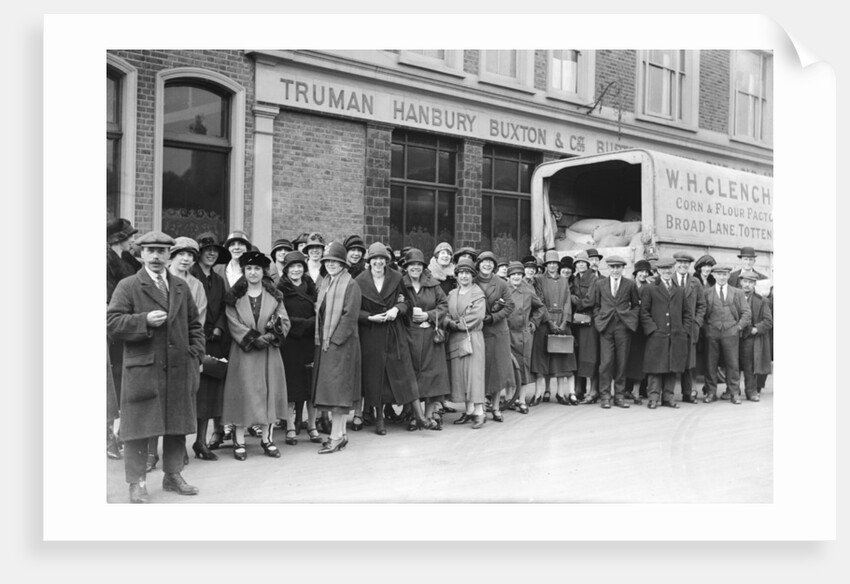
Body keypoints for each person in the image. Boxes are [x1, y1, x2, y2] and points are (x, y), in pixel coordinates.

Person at [107, 230, 205, 503]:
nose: (156, 256)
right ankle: (136, 482)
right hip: (143, 369)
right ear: (140, 254)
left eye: (162, 252)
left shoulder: (180, 287)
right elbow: (112, 322)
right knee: (138, 428)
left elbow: (195, 326)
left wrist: (194, 354)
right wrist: (144, 321)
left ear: (168, 255)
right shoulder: (128, 286)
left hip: (177, 367)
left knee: (176, 424)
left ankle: (172, 475)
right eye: (150, 251)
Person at [356, 242, 435, 435]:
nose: (378, 262)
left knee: (405, 374)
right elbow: (354, 310)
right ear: (369, 261)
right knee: (377, 377)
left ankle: (419, 416)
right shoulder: (359, 281)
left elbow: (406, 302)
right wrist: (369, 317)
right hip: (372, 334)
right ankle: (379, 420)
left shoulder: (397, 277)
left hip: (394, 332)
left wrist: (395, 310)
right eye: (375, 258)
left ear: (386, 261)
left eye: (382, 258)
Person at [221, 251, 291, 460]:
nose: (253, 272)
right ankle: (239, 441)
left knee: (268, 394)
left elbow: (284, 321)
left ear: (263, 272)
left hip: (269, 352)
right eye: (249, 269)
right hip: (244, 353)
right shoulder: (234, 297)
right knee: (243, 394)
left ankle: (267, 440)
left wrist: (269, 337)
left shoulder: (274, 296)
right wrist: (252, 338)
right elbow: (232, 322)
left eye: (257, 269)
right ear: (244, 271)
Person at [312, 242, 362, 453]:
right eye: (328, 261)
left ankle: (334, 437)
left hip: (341, 345)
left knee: (338, 394)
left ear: (343, 263)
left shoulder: (351, 285)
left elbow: (349, 317)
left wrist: (333, 341)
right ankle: (340, 434)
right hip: (327, 343)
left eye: (336, 261)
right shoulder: (326, 283)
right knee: (334, 392)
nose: (331, 264)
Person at [190, 232, 229, 461]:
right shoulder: (190, 277)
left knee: (208, 394)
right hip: (195, 340)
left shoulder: (218, 280)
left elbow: (224, 308)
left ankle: (201, 441)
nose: (211, 254)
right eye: (207, 250)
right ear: (199, 254)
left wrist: (219, 328)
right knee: (191, 392)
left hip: (214, 341)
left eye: (214, 250)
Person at [276, 250, 322, 444]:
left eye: (299, 266)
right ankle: (290, 427)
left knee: (310, 385)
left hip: (309, 341)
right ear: (286, 270)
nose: (296, 270)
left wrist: (312, 323)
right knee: (292, 385)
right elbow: (280, 316)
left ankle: (311, 425)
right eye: (292, 267)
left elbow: (319, 311)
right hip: (290, 342)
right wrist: (304, 324)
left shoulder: (310, 287)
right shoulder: (280, 289)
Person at [402, 248, 451, 429]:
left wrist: (429, 315)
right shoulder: (401, 284)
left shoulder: (433, 284)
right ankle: (416, 416)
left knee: (433, 376)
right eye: (411, 265)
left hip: (431, 336)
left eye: (418, 265)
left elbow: (444, 304)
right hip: (409, 336)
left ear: (423, 267)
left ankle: (429, 415)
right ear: (406, 267)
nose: (415, 268)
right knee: (412, 376)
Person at [639, 257, 694, 408]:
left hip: (676, 336)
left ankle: (668, 398)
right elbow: (644, 312)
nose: (667, 271)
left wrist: (684, 330)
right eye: (663, 269)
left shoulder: (679, 290)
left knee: (672, 367)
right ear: (658, 271)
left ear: (673, 269)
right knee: (656, 368)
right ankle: (653, 398)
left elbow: (687, 314)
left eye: (669, 268)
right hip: (657, 336)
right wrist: (652, 330)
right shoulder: (650, 289)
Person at [106, 217, 140, 460]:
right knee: (109, 382)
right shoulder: (104, 261)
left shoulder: (129, 261)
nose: (134, 241)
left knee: (123, 378)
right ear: (120, 239)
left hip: (127, 325)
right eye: (131, 237)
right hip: (110, 327)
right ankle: (108, 437)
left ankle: (118, 434)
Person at [592, 255, 640, 409]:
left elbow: (636, 305)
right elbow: (596, 305)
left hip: (623, 328)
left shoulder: (630, 284)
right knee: (606, 363)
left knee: (621, 363)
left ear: (622, 268)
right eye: (612, 267)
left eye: (618, 267)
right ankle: (605, 396)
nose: (615, 270)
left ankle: (619, 396)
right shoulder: (600, 284)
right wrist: (598, 320)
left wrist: (630, 320)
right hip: (606, 328)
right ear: (608, 268)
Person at [530, 250, 578, 405]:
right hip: (545, 323)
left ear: (558, 265)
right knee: (541, 360)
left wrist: (564, 323)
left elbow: (567, 303)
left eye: (555, 263)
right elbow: (539, 302)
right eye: (549, 263)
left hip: (562, 322)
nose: (552, 266)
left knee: (562, 360)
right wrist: (550, 322)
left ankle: (560, 393)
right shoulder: (539, 280)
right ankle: (538, 394)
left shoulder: (564, 281)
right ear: (545, 265)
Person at [700, 265, 752, 404]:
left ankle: (734, 393)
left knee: (732, 363)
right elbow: (701, 313)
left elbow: (746, 313)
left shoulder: (737, 292)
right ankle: (711, 393)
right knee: (710, 364)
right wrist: (707, 329)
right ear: (714, 275)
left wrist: (738, 327)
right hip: (712, 332)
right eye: (719, 274)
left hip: (731, 332)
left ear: (729, 276)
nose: (722, 277)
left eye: (725, 274)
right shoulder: (707, 292)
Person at [474, 251, 516, 422]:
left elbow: (510, 306)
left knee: (498, 371)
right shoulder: (473, 281)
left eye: (490, 262)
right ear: (478, 264)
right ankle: (481, 407)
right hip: (479, 331)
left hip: (498, 332)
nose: (487, 265)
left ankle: (497, 407)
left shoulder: (501, 283)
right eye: (484, 262)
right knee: (480, 370)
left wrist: (493, 317)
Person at [446, 258, 488, 429]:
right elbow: (445, 312)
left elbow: (477, 316)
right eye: (461, 272)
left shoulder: (478, 294)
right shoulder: (451, 294)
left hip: (472, 337)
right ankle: (469, 410)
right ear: (456, 275)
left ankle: (480, 412)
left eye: (467, 273)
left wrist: (455, 324)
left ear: (473, 275)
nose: (464, 276)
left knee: (474, 375)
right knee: (460, 376)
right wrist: (448, 321)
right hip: (456, 338)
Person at [505, 261, 545, 413]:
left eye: (519, 274)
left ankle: (521, 400)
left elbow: (540, 307)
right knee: (507, 366)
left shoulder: (528, 291)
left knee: (523, 367)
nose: (516, 277)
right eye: (513, 274)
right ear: (509, 276)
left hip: (523, 335)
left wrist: (533, 323)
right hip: (506, 333)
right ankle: (509, 397)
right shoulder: (504, 290)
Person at [672, 252, 707, 403]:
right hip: (672, 328)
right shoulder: (669, 280)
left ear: (689, 265)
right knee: (671, 361)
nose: (683, 265)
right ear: (675, 264)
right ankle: (668, 394)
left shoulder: (695, 282)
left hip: (690, 328)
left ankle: (687, 393)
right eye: (680, 262)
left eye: (686, 263)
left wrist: (697, 322)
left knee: (688, 363)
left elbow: (702, 305)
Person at [738, 272, 773, 401]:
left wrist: (756, 329)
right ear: (741, 282)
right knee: (732, 365)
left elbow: (768, 321)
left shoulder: (762, 301)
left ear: (754, 284)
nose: (747, 285)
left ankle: (751, 391)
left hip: (750, 338)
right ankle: (733, 391)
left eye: (751, 282)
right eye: (745, 281)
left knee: (749, 365)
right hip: (733, 335)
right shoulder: (733, 296)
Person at [571, 251, 600, 403]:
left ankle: (594, 390)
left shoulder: (593, 278)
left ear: (588, 264)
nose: (581, 265)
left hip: (590, 322)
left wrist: (575, 301)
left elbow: (590, 300)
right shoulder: (575, 278)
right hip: (577, 323)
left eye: (583, 262)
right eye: (578, 263)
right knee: (578, 354)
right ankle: (579, 389)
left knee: (591, 356)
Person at [624, 259, 652, 404]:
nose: (643, 274)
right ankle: (626, 389)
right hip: (629, 327)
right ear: (635, 273)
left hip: (642, 330)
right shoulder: (629, 285)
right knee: (626, 358)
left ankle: (637, 391)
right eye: (641, 271)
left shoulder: (649, 287)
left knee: (639, 360)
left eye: (646, 272)